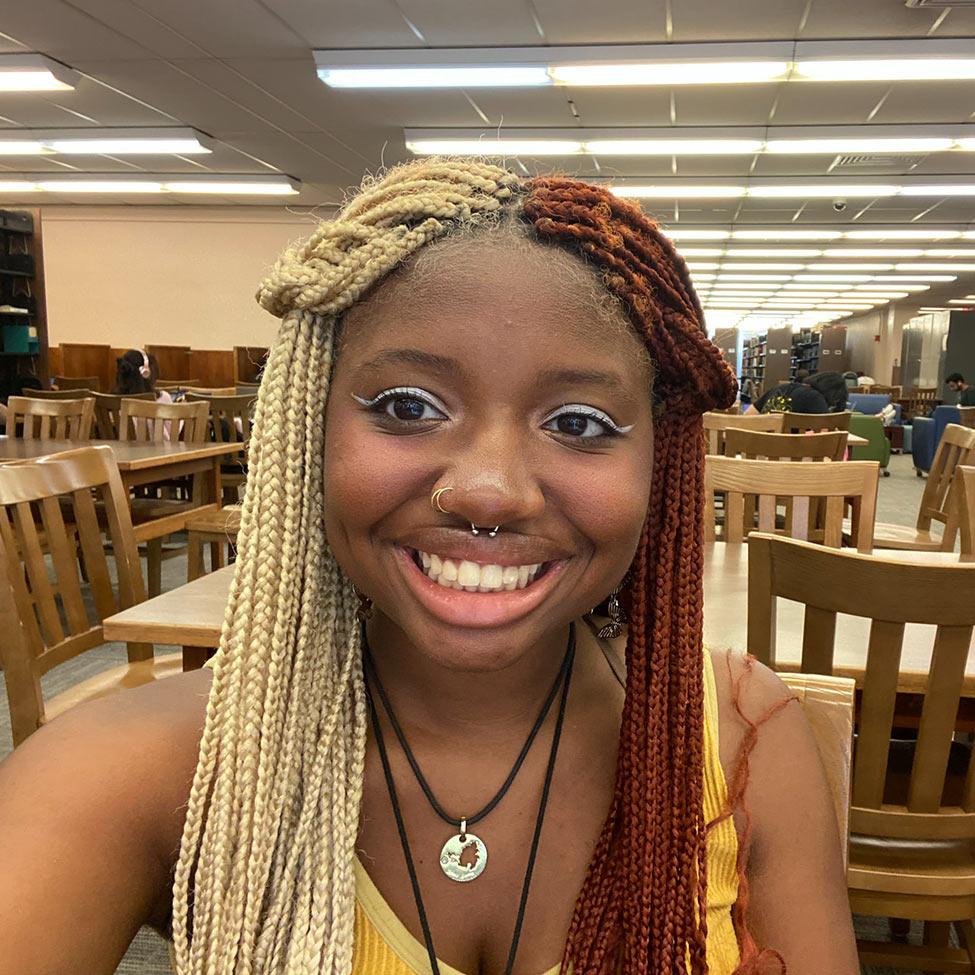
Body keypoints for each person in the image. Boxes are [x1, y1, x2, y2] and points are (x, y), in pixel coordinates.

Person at [0, 161, 858, 975]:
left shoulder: (744, 743)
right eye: (407, 406)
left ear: (659, 463)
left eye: (580, 421)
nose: (489, 490)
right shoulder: (154, 768)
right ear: (311, 428)